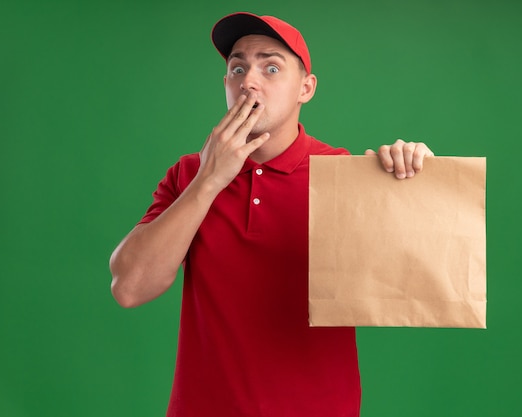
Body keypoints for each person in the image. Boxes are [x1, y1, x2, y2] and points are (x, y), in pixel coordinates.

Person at [109, 11, 434, 417]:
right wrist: (209, 181)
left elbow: (407, 279)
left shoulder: (341, 174)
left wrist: (413, 182)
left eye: (272, 66)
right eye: (237, 68)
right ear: (225, 84)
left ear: (306, 88)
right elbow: (129, 287)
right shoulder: (190, 174)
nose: (248, 81)